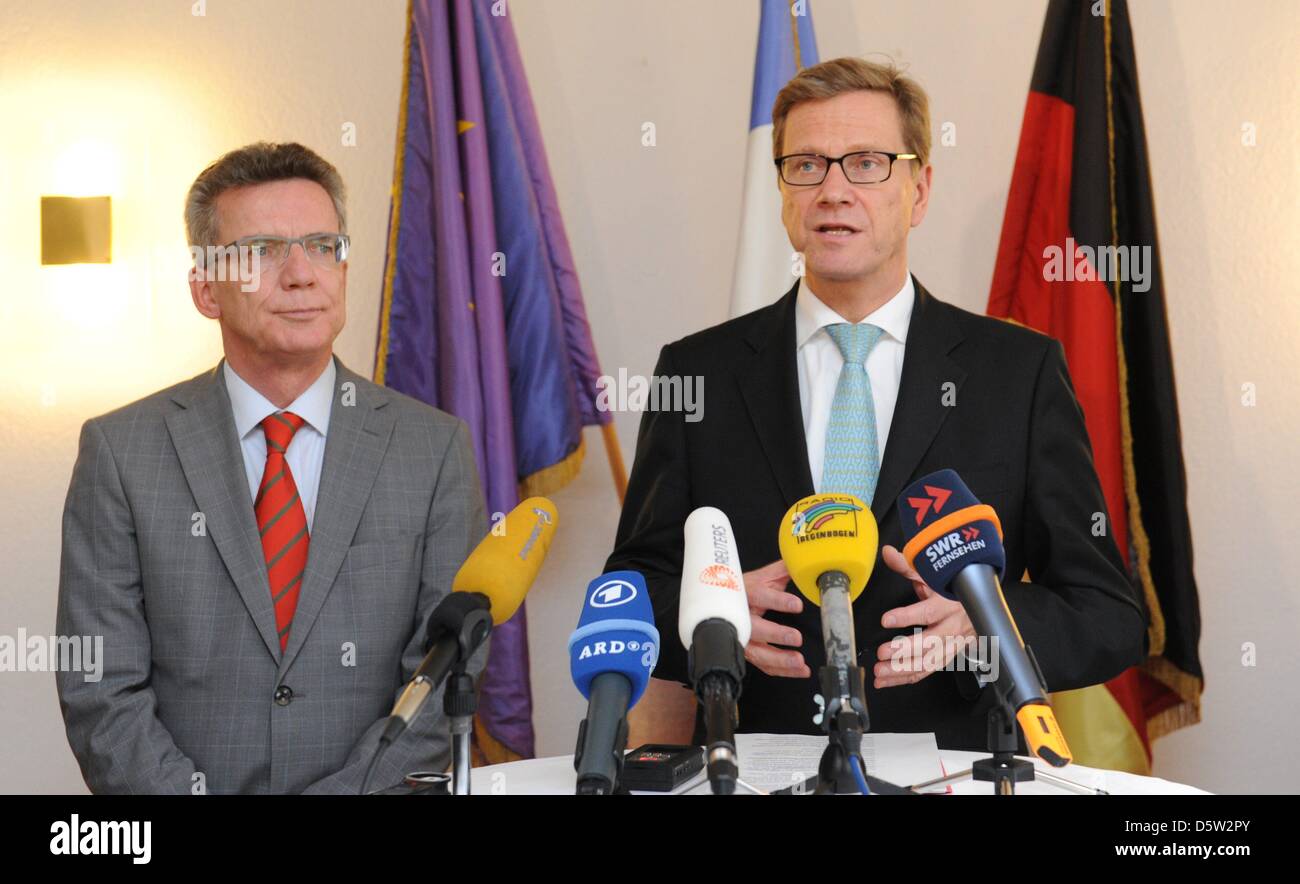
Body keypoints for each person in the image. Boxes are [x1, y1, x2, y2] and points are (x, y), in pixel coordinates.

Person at [605, 58, 1146, 751]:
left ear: (918, 192)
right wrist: (712, 617)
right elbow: (630, 591)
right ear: (782, 195)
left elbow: (1106, 613)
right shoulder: (696, 374)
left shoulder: (1019, 374)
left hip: (954, 770)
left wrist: (988, 627)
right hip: (754, 766)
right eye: (806, 165)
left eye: (865, 163)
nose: (833, 190)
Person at [55, 142, 487, 793]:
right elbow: (102, 692)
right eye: (262, 250)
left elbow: (441, 682)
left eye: (322, 245)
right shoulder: (121, 453)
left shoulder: (433, 449)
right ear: (205, 286)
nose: (301, 273)